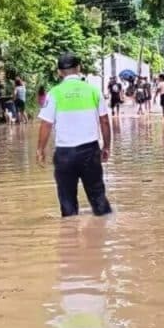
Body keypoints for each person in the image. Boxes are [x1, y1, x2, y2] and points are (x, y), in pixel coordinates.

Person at [37, 53, 113, 217]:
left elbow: (46, 124)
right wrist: (106, 147)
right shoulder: (93, 91)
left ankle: (69, 236)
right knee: (98, 199)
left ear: (59, 72)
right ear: (79, 68)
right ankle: (104, 231)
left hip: (64, 154)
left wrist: (40, 149)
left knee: (67, 203)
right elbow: (105, 121)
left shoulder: (54, 93)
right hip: (90, 151)